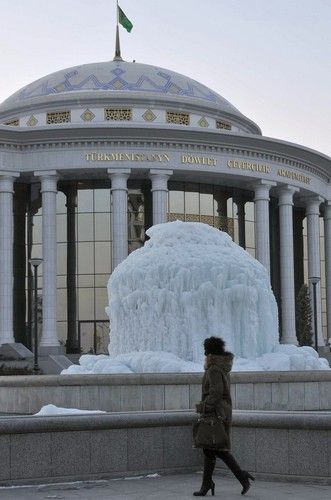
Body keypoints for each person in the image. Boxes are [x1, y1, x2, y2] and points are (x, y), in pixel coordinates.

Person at [193, 336, 255, 496]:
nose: (204, 351)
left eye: (205, 348)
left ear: (210, 350)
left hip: (215, 413)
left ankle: (240, 478)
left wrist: (204, 407)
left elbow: (216, 391)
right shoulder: (221, 367)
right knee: (211, 449)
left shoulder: (213, 369)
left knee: (218, 449)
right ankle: (208, 484)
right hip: (222, 411)